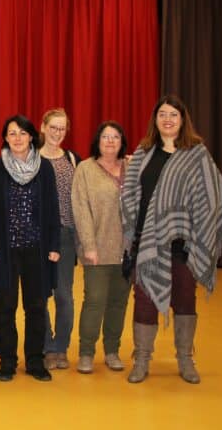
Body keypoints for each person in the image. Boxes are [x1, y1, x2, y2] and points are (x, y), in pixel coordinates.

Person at [121, 95, 222, 384]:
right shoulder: (143, 152)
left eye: (173, 114)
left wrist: (197, 231)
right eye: (162, 114)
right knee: (144, 300)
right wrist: (133, 231)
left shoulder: (196, 154)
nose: (167, 119)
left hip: (183, 244)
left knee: (184, 299)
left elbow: (212, 195)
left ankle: (185, 358)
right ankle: (142, 359)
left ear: (183, 120)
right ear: (155, 120)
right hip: (146, 242)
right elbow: (130, 195)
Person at [0, 114, 61, 382]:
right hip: (4, 250)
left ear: (31, 137)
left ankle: (35, 361)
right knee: (5, 306)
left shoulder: (45, 168)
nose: (17, 138)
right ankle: (7, 361)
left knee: (36, 306)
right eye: (12, 133)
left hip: (37, 250)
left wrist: (53, 244)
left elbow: (52, 208)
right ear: (5, 137)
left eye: (23, 133)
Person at [72, 121, 131, 374]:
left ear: (121, 142)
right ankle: (86, 352)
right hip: (97, 247)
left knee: (119, 302)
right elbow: (80, 208)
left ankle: (112, 351)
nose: (110, 141)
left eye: (115, 137)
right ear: (97, 141)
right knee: (95, 300)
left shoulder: (132, 167)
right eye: (105, 136)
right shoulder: (85, 169)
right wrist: (89, 244)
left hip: (127, 250)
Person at [39, 108, 81, 370]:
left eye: (62, 128)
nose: (57, 133)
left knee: (64, 295)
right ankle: (45, 344)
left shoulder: (73, 159)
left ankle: (60, 347)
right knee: (39, 296)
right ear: (43, 128)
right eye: (53, 127)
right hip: (37, 237)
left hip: (65, 235)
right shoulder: (30, 158)